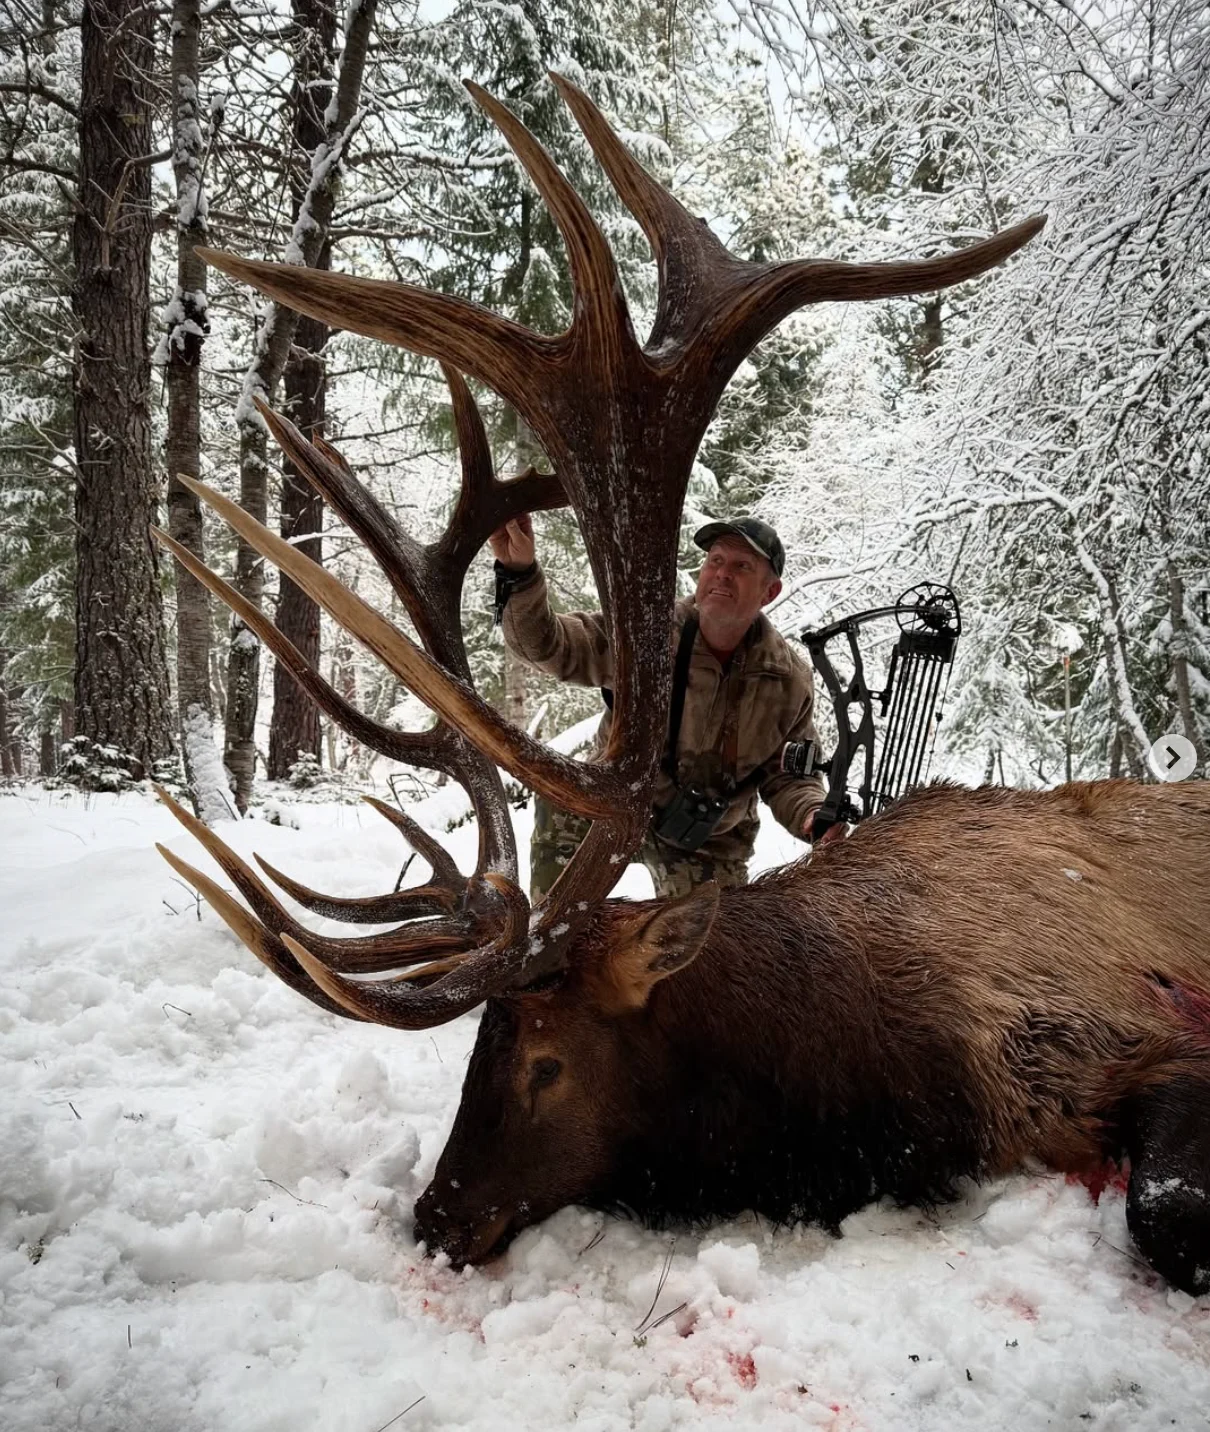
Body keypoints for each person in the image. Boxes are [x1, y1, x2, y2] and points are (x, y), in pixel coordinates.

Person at [490, 513, 829, 899]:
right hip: (615, 804)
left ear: (769, 592)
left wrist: (811, 816)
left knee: (713, 951)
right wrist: (520, 574)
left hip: (707, 839)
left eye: (741, 566)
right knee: (563, 803)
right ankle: (556, 939)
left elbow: (789, 777)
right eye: (715, 561)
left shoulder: (788, 681)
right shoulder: (645, 630)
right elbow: (547, 646)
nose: (722, 573)